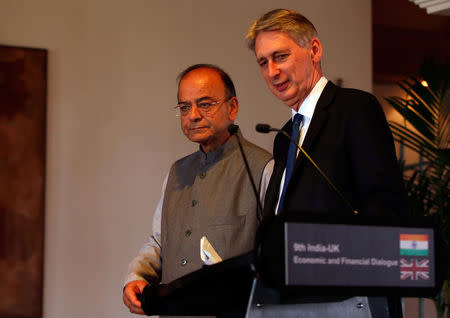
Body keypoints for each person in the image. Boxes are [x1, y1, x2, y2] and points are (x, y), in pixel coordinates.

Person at [245, 9, 409, 318]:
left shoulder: (353, 108)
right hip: (287, 298)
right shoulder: (284, 137)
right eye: (263, 62)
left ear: (315, 50)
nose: (271, 71)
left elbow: (384, 208)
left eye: (280, 56)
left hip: (346, 296)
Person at [122, 64, 273, 315]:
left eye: (205, 104)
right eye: (184, 107)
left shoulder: (263, 168)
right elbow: (160, 241)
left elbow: (276, 258)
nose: (193, 115)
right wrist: (136, 275)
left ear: (232, 107)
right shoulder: (176, 172)